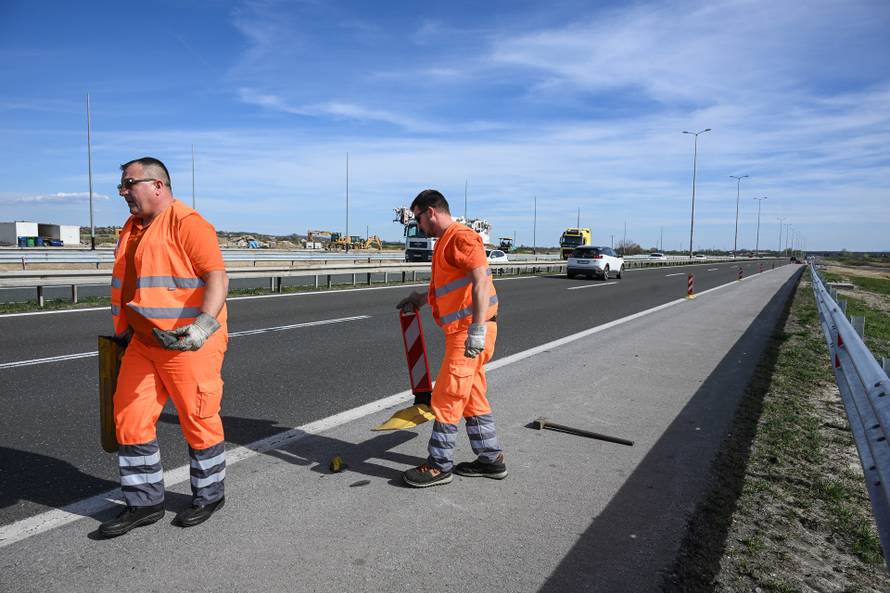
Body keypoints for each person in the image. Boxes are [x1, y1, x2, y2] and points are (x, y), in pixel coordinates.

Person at [99, 157, 229, 537]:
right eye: (121, 186)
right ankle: (144, 503)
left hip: (188, 343)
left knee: (198, 419)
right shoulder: (131, 228)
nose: (123, 192)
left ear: (157, 185)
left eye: (128, 184)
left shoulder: (187, 223)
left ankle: (209, 494)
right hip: (142, 341)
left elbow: (217, 277)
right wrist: (125, 331)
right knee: (130, 418)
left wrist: (203, 327)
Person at [397, 189, 507, 487]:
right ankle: (490, 459)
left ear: (431, 211)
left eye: (418, 218)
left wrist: (477, 330)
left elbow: (480, 282)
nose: (418, 226)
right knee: (472, 397)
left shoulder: (461, 236)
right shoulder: (445, 242)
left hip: (468, 332)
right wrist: (421, 298)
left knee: (446, 395)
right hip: (464, 331)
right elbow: (453, 291)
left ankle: (438, 465)